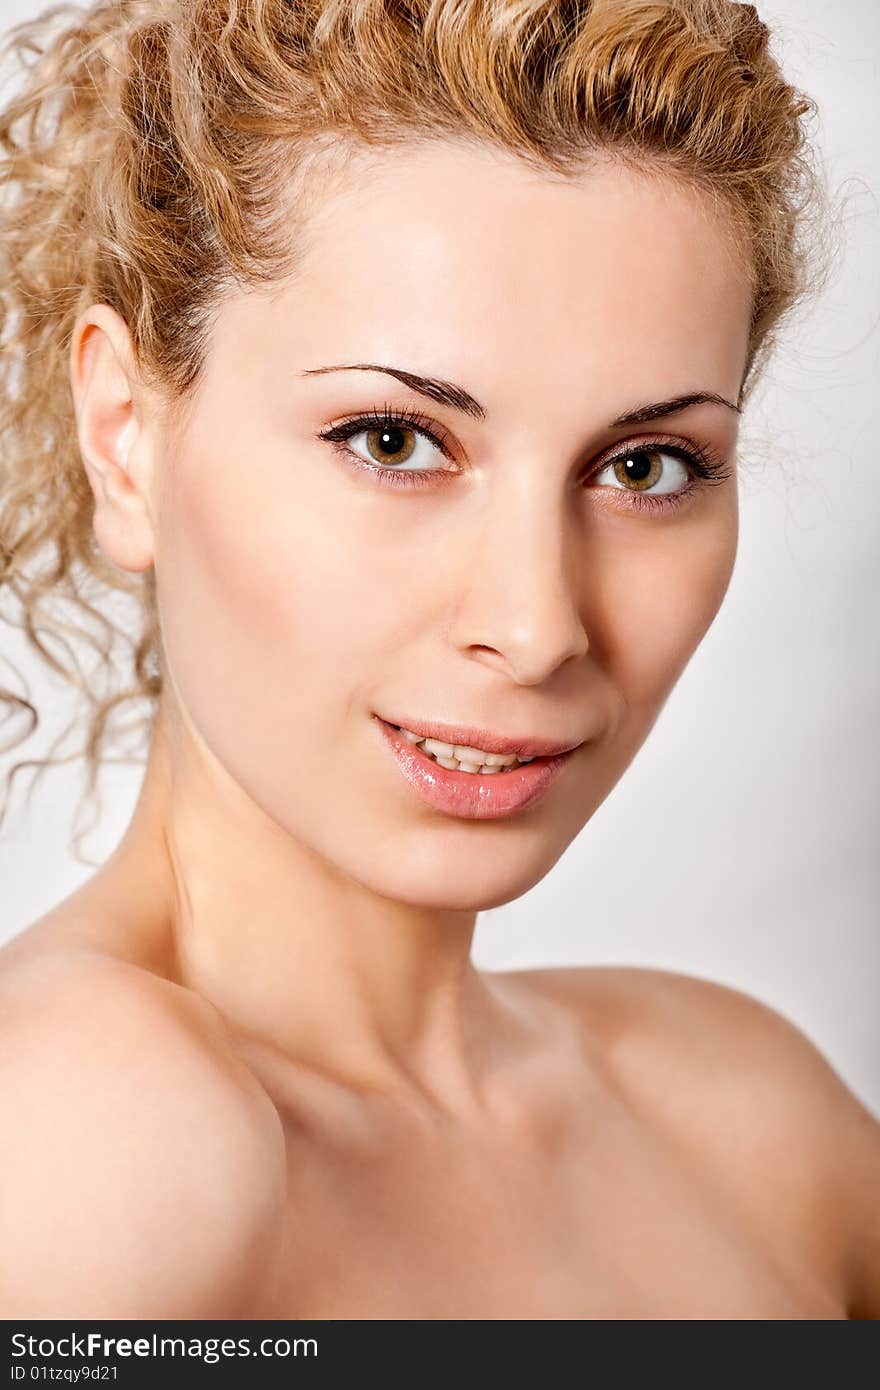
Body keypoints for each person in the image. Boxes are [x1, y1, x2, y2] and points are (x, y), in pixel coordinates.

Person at [0, 0, 877, 1321]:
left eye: (647, 466)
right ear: (124, 433)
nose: (537, 628)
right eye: (393, 440)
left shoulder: (753, 1115)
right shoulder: (85, 1120)